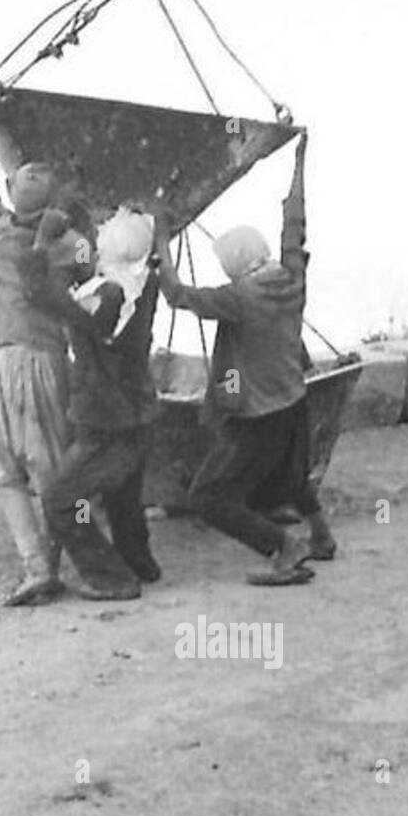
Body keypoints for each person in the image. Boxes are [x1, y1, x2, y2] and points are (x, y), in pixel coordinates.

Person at [153, 135, 337, 584]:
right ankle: (322, 537)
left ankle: (284, 547)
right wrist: (297, 167)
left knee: (208, 498)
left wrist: (160, 241)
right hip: (294, 401)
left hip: (257, 415)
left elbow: (176, 295)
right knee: (292, 479)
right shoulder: (292, 277)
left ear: (235, 264)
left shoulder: (240, 297)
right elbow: (295, 228)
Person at [0, 69, 73, 606]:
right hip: (51, 361)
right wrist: (2, 126)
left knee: (7, 473)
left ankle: (37, 567)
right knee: (52, 467)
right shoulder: (71, 242)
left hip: (6, 363)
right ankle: (58, 558)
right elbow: (11, 181)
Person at [25, 208, 162, 600]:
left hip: (104, 418)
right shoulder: (144, 282)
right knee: (123, 496)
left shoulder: (107, 297)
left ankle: (111, 578)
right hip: (139, 411)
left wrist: (42, 243)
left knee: (62, 498)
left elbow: (39, 294)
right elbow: (99, 279)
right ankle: (139, 562)